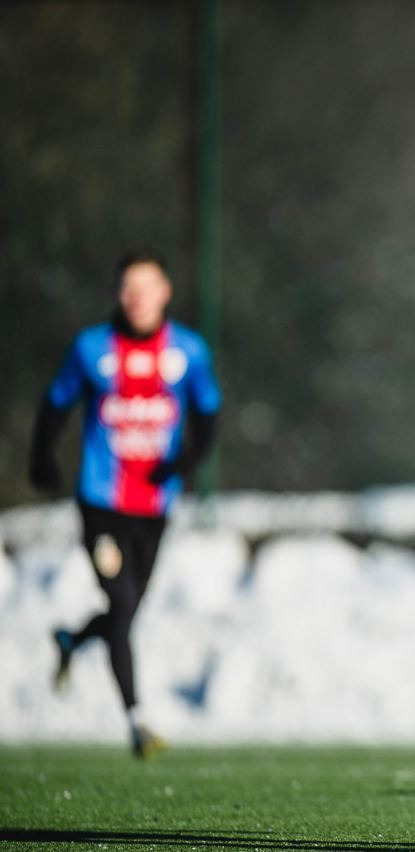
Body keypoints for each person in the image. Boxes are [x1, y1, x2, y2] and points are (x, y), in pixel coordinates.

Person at [29, 251, 221, 758]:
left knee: (127, 609)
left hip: (155, 505)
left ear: (165, 292)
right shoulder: (91, 348)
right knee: (120, 602)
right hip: (101, 503)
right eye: (127, 289)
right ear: (117, 293)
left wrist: (185, 460)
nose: (137, 299)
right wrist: (41, 457)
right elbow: (55, 404)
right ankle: (137, 721)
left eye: (146, 287)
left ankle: (72, 640)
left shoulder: (188, 351)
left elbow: (209, 415)